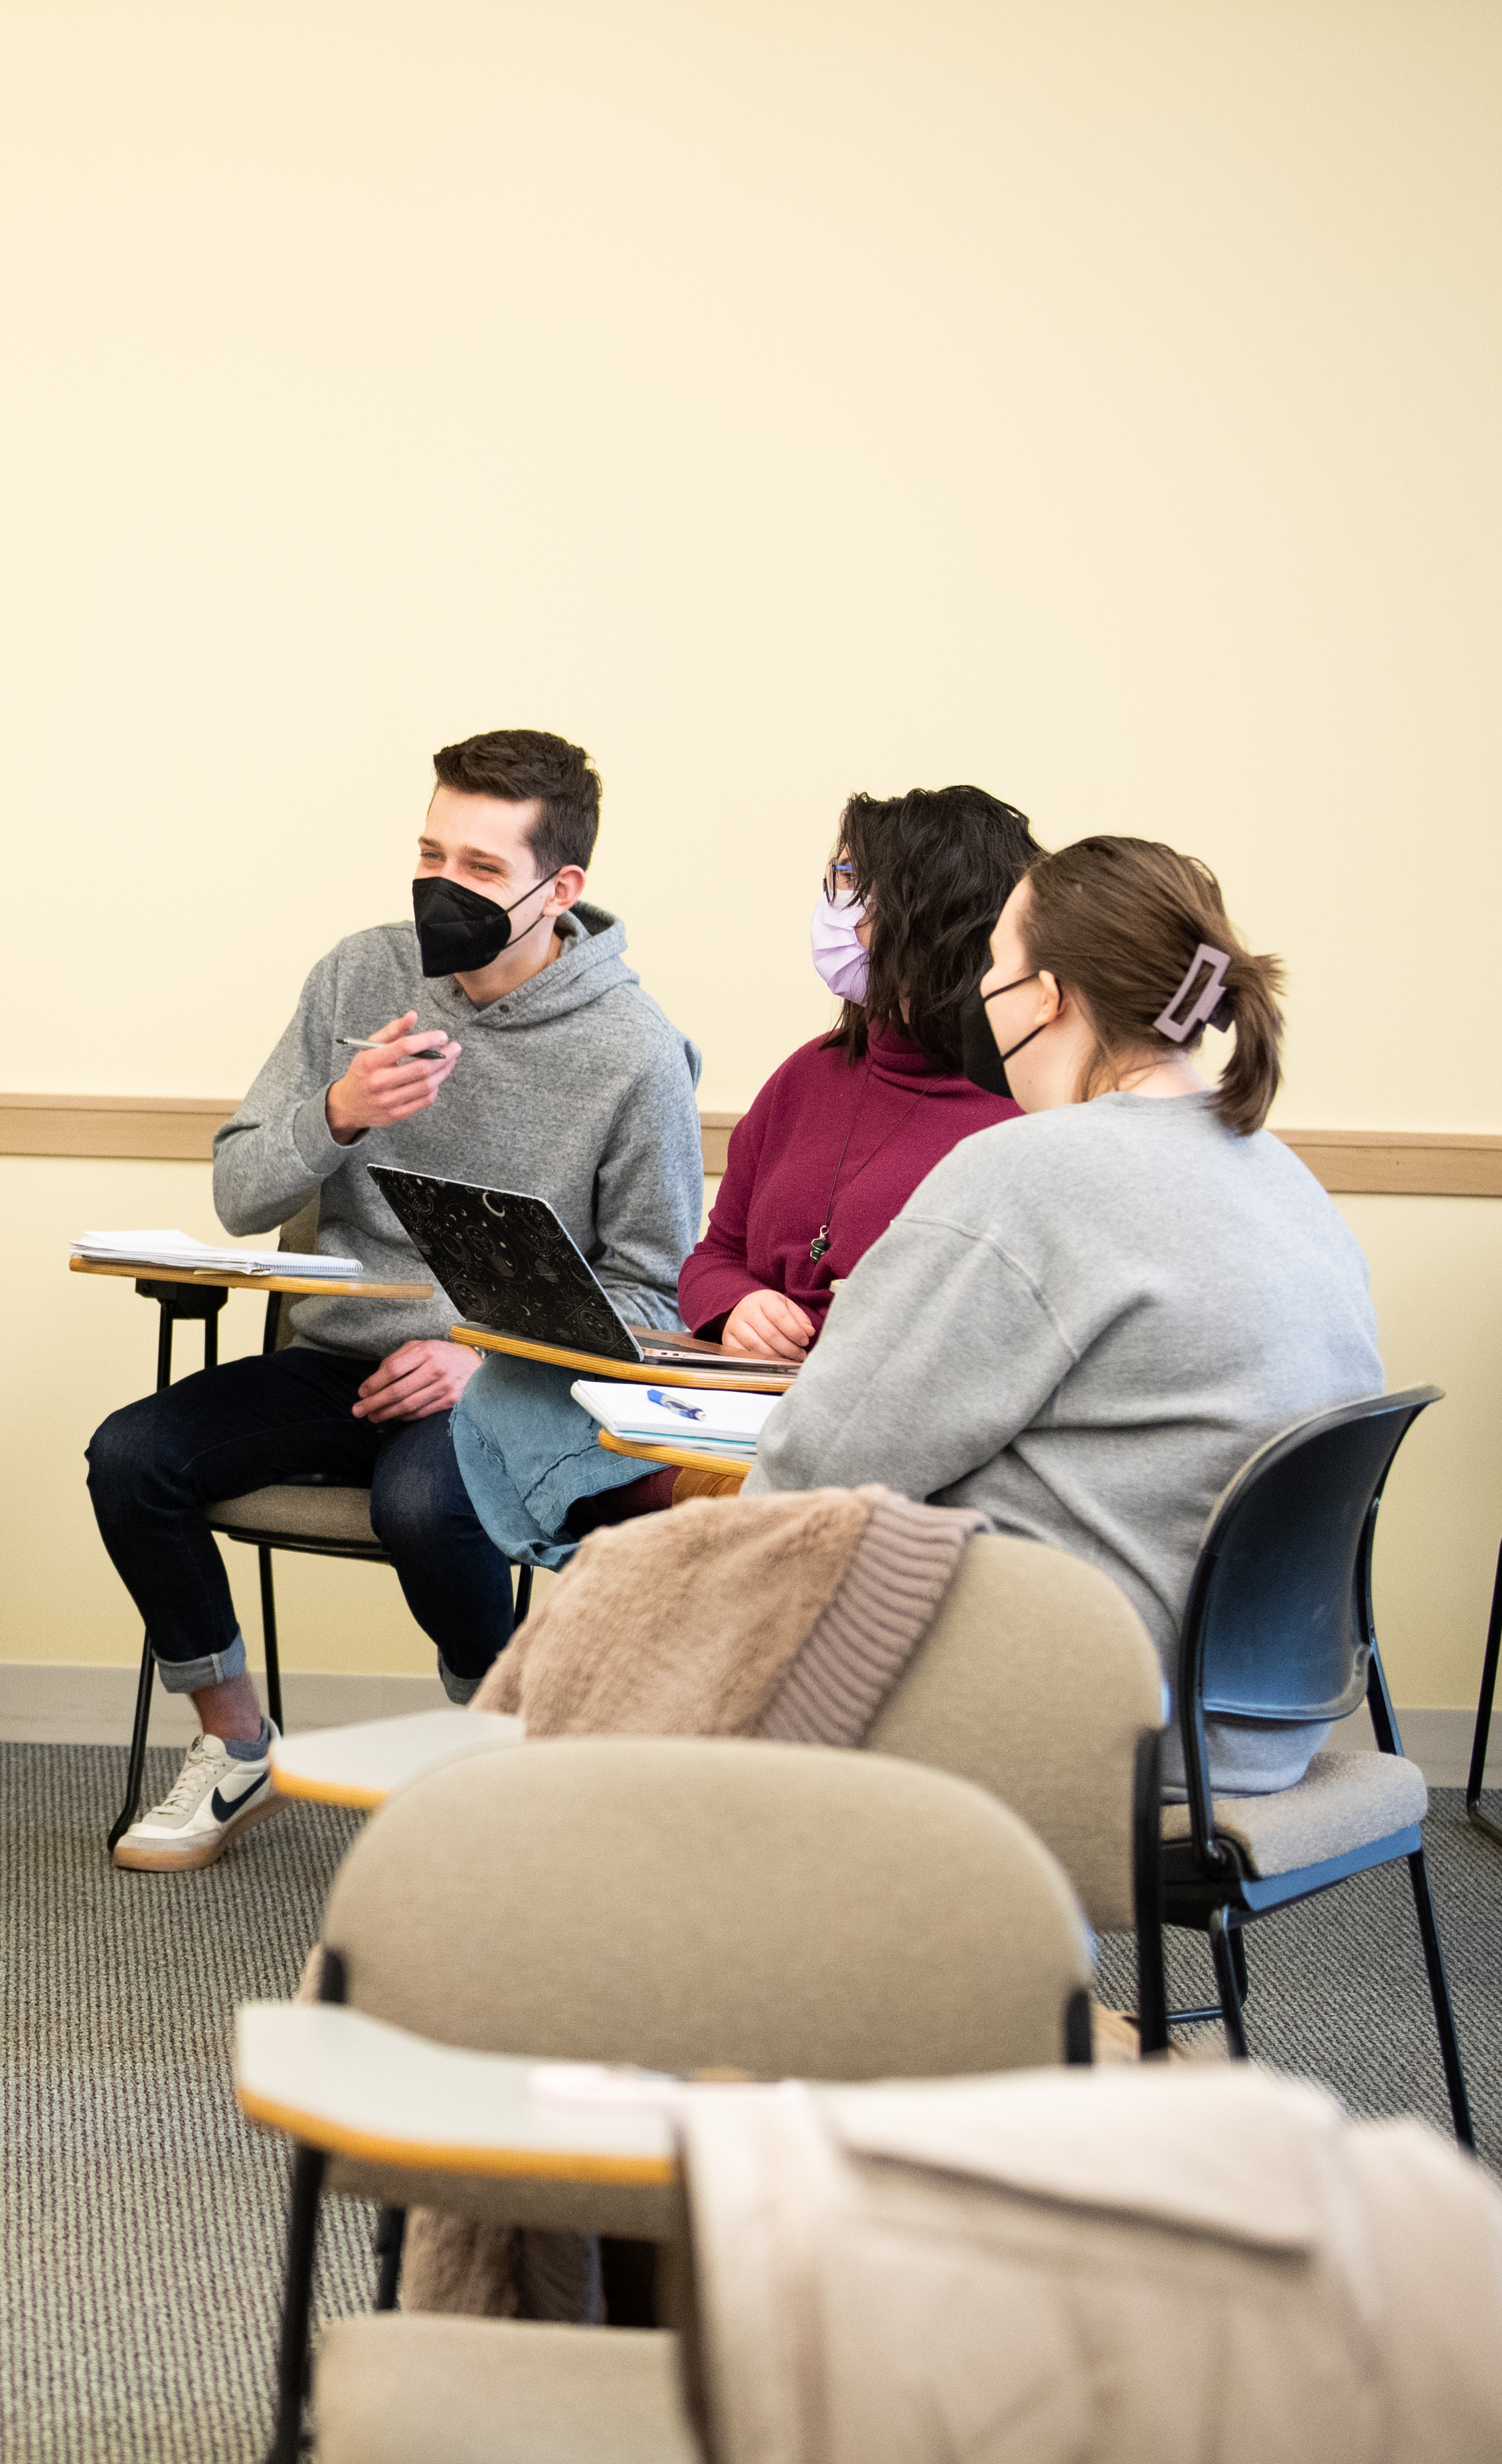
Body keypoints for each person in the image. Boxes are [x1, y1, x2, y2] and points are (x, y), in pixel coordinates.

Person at [87, 729, 703, 1871]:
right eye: (429, 853)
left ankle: (497, 1750)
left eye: (478, 867)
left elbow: (656, 1289)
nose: (440, 888)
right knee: (129, 1457)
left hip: (508, 1383)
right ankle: (237, 1750)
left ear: (558, 888)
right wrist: (337, 1112)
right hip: (340, 1358)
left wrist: (485, 1358)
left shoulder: (635, 1052)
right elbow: (237, 1191)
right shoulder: (358, 975)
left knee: (424, 1507)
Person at [750, 835, 1373, 1794]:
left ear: (1045, 996)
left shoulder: (1030, 1174)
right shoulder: (1284, 1179)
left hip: (1094, 1709)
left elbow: (816, 1471)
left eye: (993, 967)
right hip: (1267, 1717)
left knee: (664, 1630)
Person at [450, 787, 1035, 1565]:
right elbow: (709, 1258)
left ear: (934, 922)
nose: (835, 906)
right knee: (505, 1387)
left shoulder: (1017, 1118)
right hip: (733, 1404)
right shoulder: (807, 1075)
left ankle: (706, 1540)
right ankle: (718, 1527)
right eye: (840, 877)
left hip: (860, 1432)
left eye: (858, 886)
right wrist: (739, 1305)